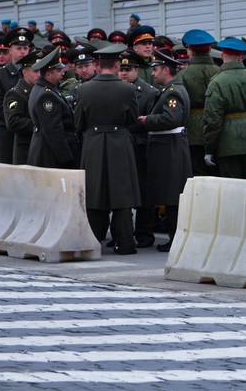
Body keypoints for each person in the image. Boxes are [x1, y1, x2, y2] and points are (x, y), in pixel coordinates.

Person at [73, 44, 141, 255]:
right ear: (116, 64)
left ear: (98, 65)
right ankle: (126, 243)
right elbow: (132, 119)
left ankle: (92, 242)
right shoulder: (128, 89)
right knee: (122, 195)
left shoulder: (82, 89)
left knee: (93, 195)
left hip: (93, 142)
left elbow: (78, 122)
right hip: (119, 141)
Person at [139, 50, 192, 252]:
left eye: (156, 69)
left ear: (166, 70)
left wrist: (148, 120)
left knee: (172, 197)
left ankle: (175, 238)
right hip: (168, 146)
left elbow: (172, 118)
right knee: (170, 195)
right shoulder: (171, 89)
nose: (153, 74)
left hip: (171, 148)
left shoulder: (173, 92)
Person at [202, 37, 246, 180]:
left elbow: (213, 119)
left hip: (227, 144)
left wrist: (209, 149)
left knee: (231, 186)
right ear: (241, 57)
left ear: (222, 55)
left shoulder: (217, 82)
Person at [119, 48, 160, 248]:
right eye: (121, 69)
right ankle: (122, 231)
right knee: (122, 190)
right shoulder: (115, 88)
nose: (124, 73)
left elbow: (149, 122)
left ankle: (144, 233)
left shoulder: (149, 92)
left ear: (137, 70)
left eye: (128, 69)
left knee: (144, 191)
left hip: (140, 146)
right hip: (121, 144)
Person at [27, 48, 79, 169]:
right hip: (51, 155)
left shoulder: (44, 89)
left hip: (48, 151)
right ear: (48, 74)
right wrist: (67, 157)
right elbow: (53, 130)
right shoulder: (47, 95)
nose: (63, 72)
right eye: (58, 70)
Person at [0, 28, 33, 163]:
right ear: (10, 50)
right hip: (8, 133)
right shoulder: (0, 75)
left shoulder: (35, 73)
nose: (23, 51)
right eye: (19, 48)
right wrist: (16, 117)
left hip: (29, 132)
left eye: (25, 48)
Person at [180, 29, 221, 176]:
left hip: (192, 131)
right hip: (218, 128)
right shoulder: (219, 71)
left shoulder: (183, 74)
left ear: (190, 51)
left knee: (195, 173)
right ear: (209, 49)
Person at [3, 50, 40, 165]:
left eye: (40, 71)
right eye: (35, 71)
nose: (39, 75)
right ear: (24, 72)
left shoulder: (39, 90)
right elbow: (13, 122)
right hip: (25, 147)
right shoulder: (16, 94)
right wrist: (39, 125)